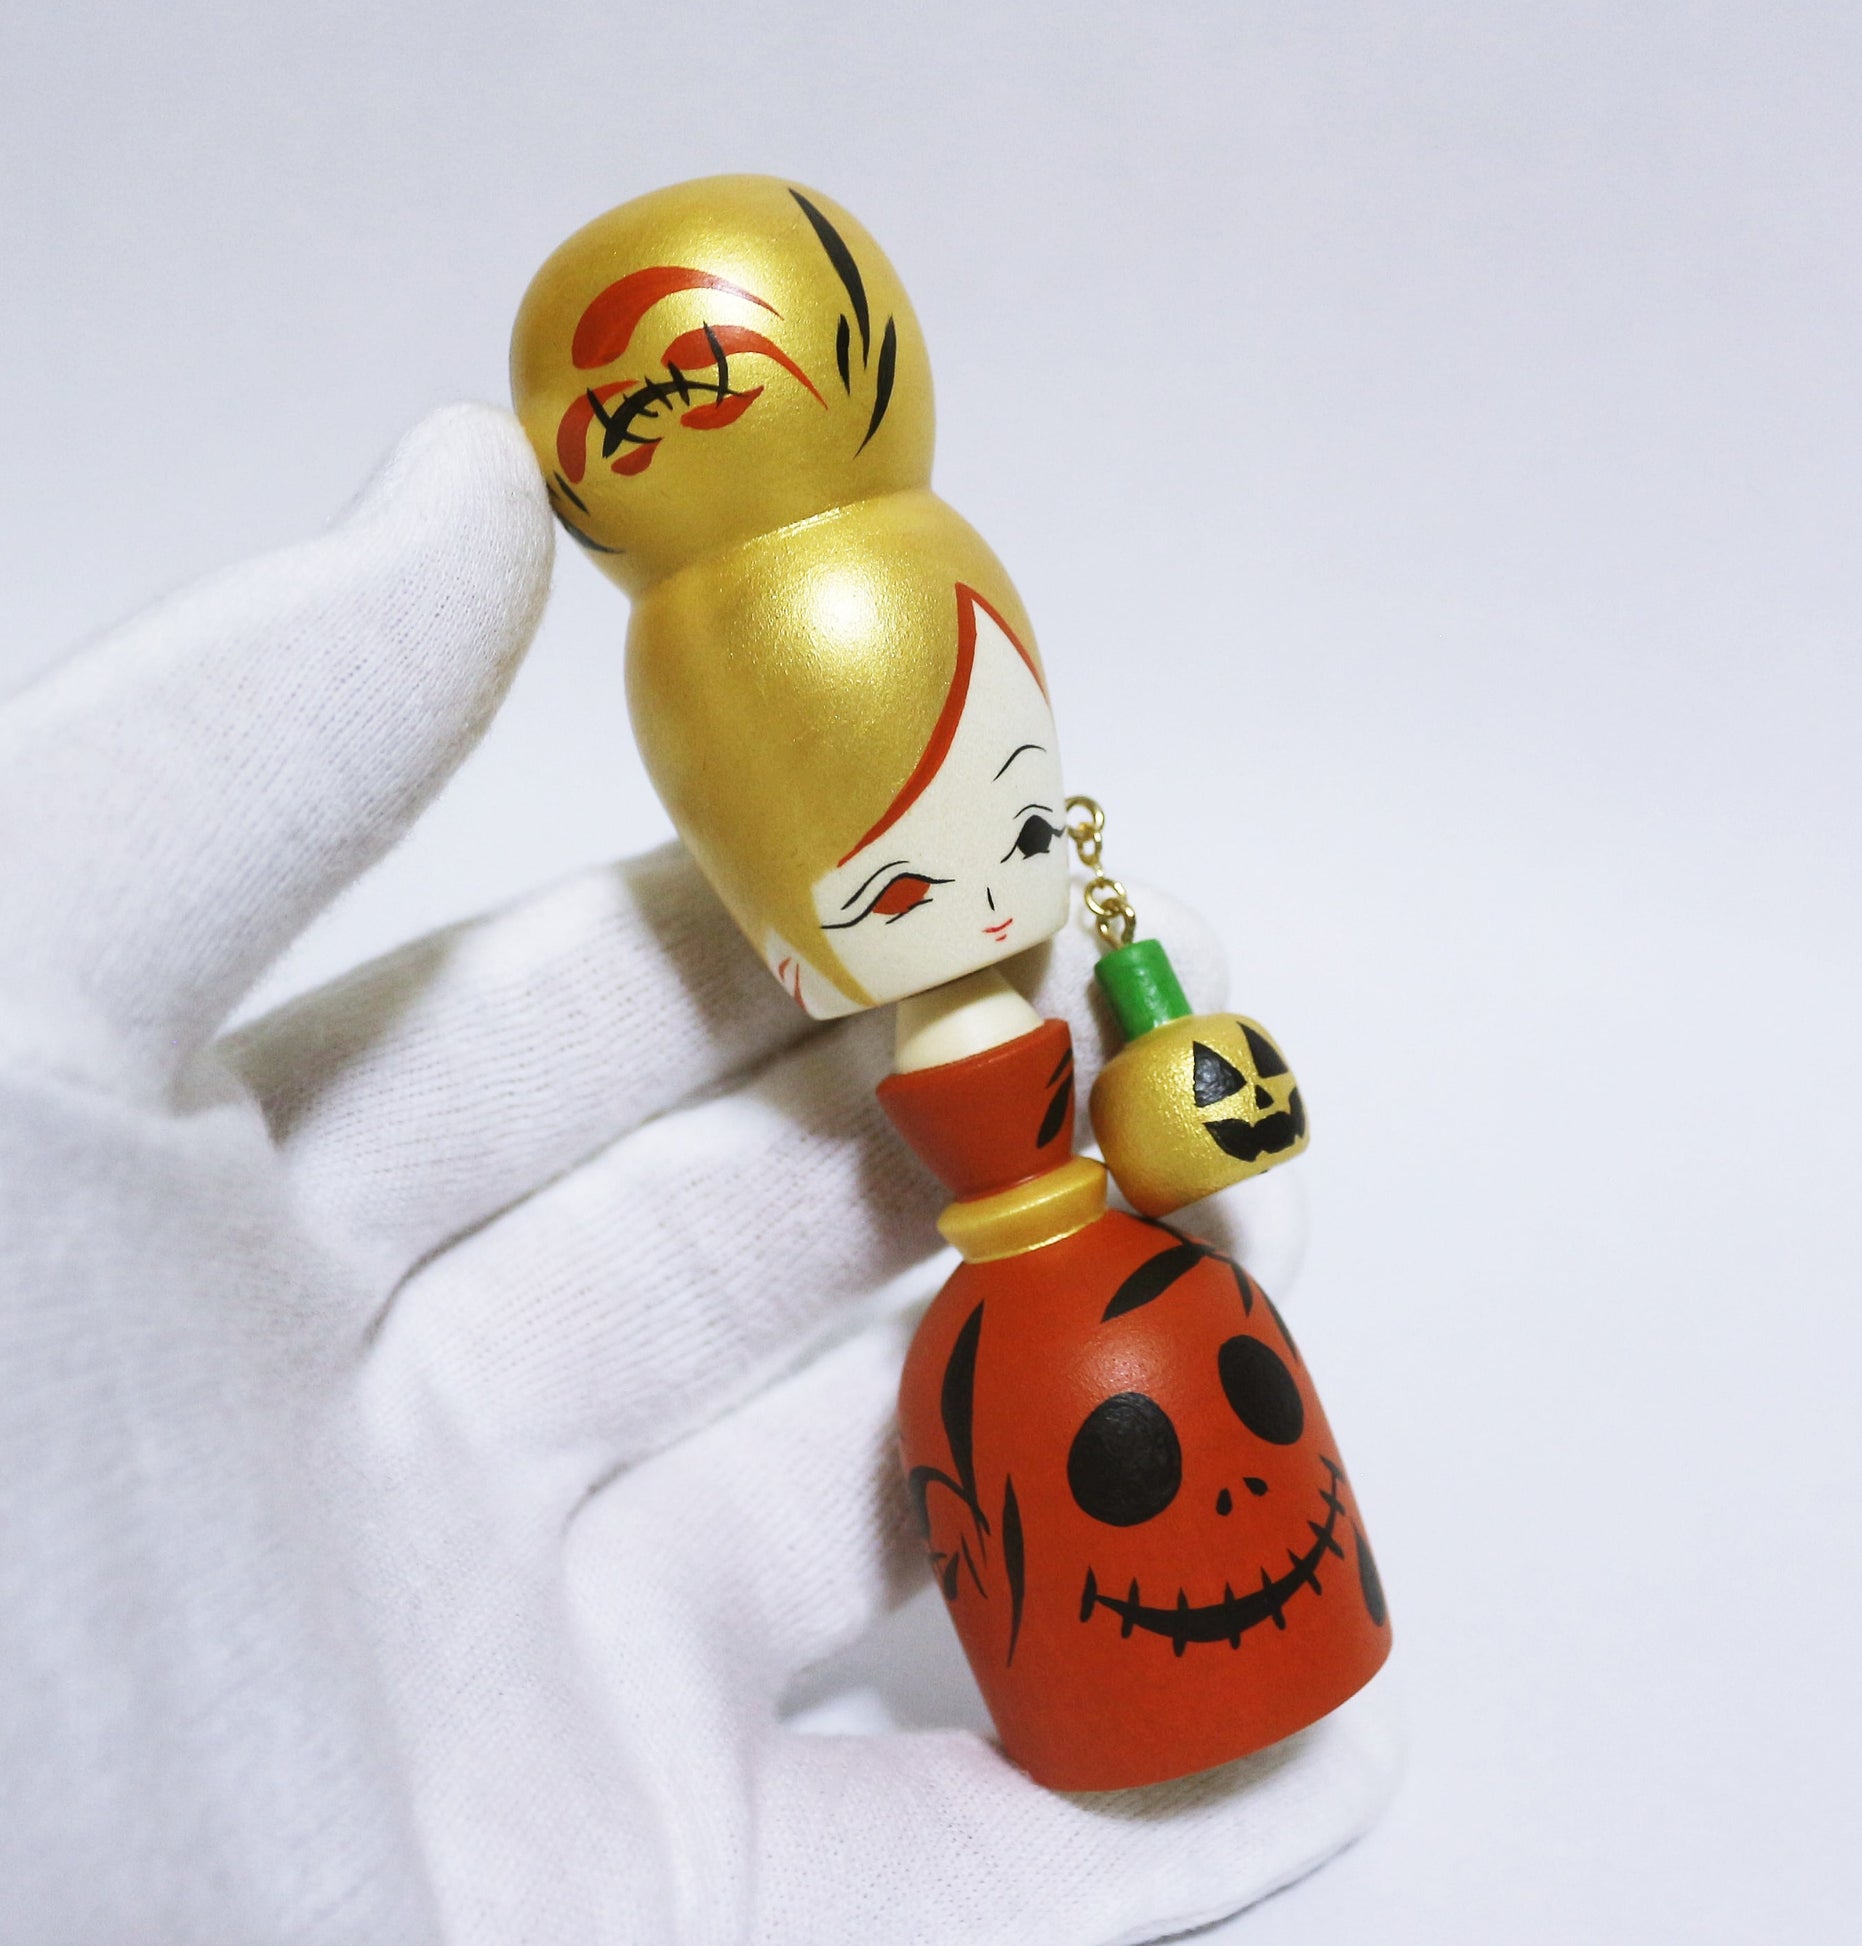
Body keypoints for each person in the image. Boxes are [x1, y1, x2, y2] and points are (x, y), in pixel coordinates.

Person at [0, 404, 1396, 1942]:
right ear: (779, 929)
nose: (989, 886)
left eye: (1020, 814)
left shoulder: (1030, 1312)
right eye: (898, 887)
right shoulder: (978, 1362)